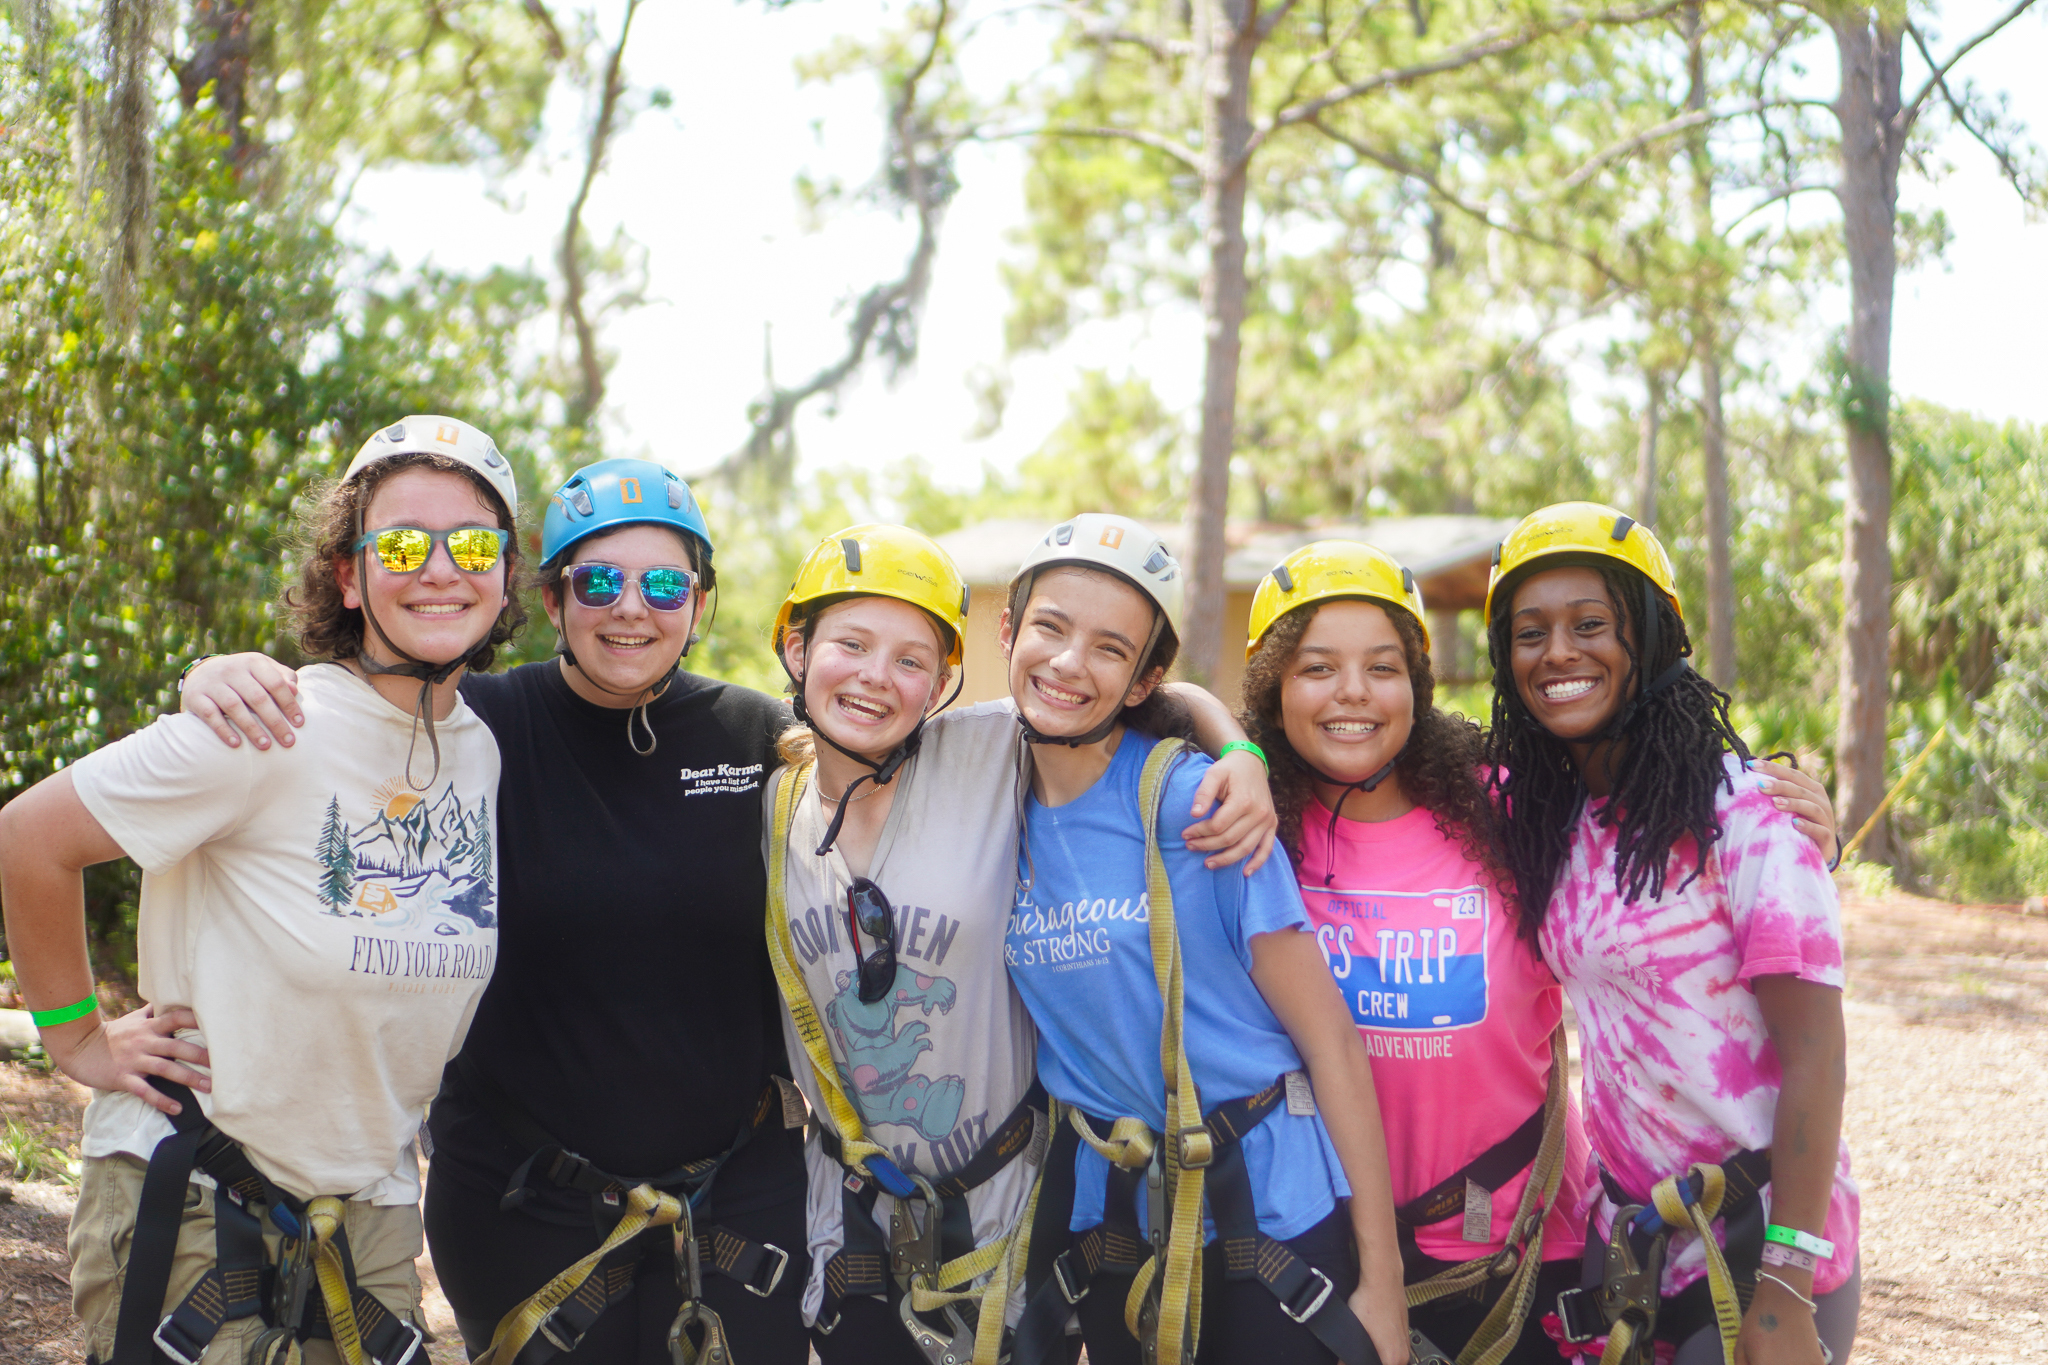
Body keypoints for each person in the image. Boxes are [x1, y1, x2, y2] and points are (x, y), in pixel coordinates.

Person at [179, 458, 811, 1364]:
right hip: (526, 1205)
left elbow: (888, 762)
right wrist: (218, 673)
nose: (632, 606)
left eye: (665, 582)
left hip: (738, 1202)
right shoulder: (473, 726)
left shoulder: (759, 740)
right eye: (598, 580)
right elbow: (336, 726)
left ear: (699, 604)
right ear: (551, 601)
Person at [0, 416, 522, 1365]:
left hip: (369, 1218)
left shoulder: (483, 752)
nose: (440, 567)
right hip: (199, 1194)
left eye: (474, 543)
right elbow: (31, 837)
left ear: (508, 573)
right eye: (403, 542)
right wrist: (74, 1035)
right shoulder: (266, 721)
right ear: (349, 574)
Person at [761, 523, 1279, 1365]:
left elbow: (1145, 693)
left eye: (910, 658)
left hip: (1008, 1209)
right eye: (850, 643)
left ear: (944, 679)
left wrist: (1241, 751)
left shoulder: (992, 748)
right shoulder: (772, 804)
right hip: (853, 1211)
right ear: (796, 646)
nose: (874, 678)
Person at [999, 516, 1412, 1365]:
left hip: (1270, 1218)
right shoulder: (984, 795)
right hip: (1117, 1223)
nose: (1070, 663)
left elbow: (1328, 1040)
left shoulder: (1201, 808)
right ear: (1008, 632)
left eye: (1111, 648)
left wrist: (1383, 1278)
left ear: (1146, 677)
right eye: (1049, 627)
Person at [1482, 504, 1857, 1365]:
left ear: (1650, 638)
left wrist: (1787, 1288)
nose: (1559, 653)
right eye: (1530, 633)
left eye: (1590, 625)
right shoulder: (1539, 811)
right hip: (1629, 1237)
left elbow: (1818, 1059)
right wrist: (1235, 753)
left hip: (1762, 1240)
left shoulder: (1747, 814)